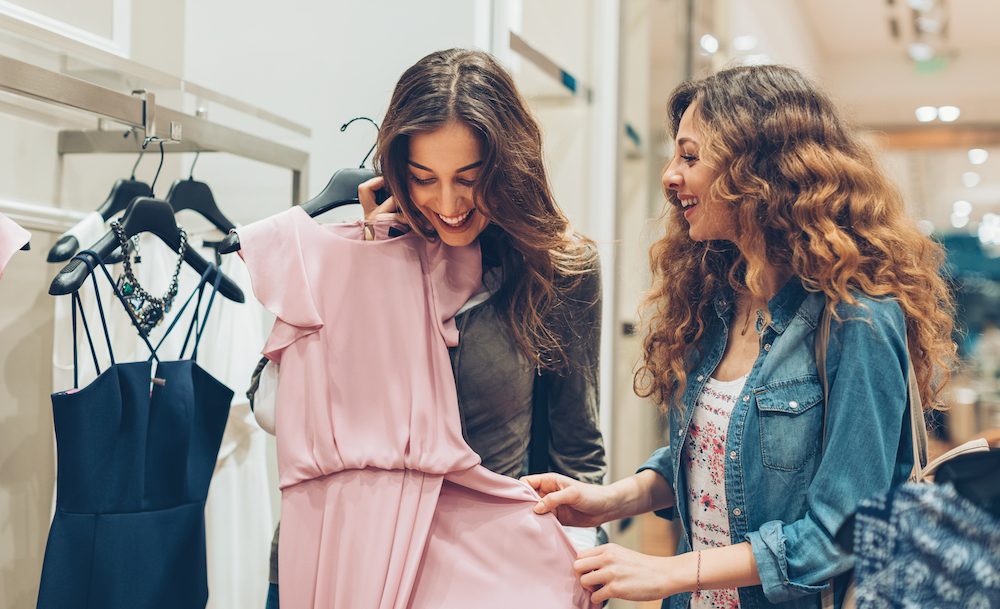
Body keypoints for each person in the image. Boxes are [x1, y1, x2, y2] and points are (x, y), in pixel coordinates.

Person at [524, 63, 955, 609]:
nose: (669, 175)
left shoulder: (859, 321)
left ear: (758, 169)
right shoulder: (717, 300)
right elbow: (715, 454)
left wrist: (671, 571)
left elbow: (838, 534)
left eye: (690, 155)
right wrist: (609, 500)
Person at [262, 48, 606, 607]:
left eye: (470, 180)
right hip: (340, 554)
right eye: (423, 179)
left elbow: (576, 446)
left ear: (508, 169)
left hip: (486, 570)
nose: (447, 204)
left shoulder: (558, 270)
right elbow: (277, 410)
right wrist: (370, 272)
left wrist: (580, 563)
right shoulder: (355, 252)